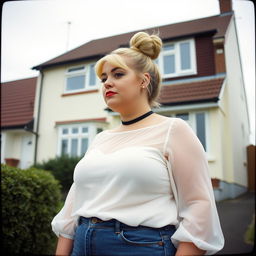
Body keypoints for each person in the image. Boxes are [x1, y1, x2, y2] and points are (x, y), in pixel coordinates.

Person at [52, 31, 224, 256]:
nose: (107, 83)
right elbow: (73, 207)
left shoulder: (174, 130)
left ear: (143, 80)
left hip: (139, 247)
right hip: (81, 245)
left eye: (118, 74)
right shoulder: (100, 138)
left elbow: (200, 208)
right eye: (103, 78)